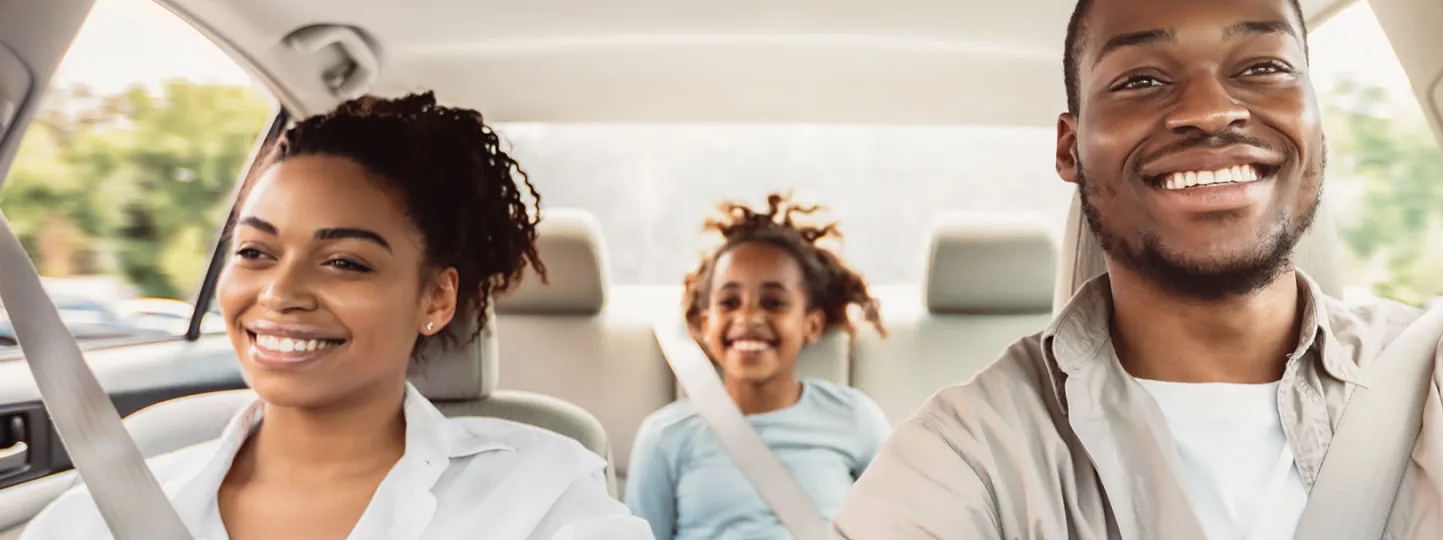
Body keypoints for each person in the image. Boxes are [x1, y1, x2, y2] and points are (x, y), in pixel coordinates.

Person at [830, 0, 1443, 539]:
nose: (1209, 110)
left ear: (1315, 121)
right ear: (1070, 148)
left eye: (1263, 67)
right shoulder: (976, 455)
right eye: (1141, 79)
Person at [26, 92, 651, 540]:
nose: (280, 291)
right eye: (255, 252)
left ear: (435, 298)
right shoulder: (113, 504)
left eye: (345, 263)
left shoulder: (540, 495)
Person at [626, 193, 892, 540]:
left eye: (773, 302)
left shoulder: (855, 419)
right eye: (730, 302)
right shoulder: (665, 437)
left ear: (811, 324)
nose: (749, 317)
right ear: (706, 324)